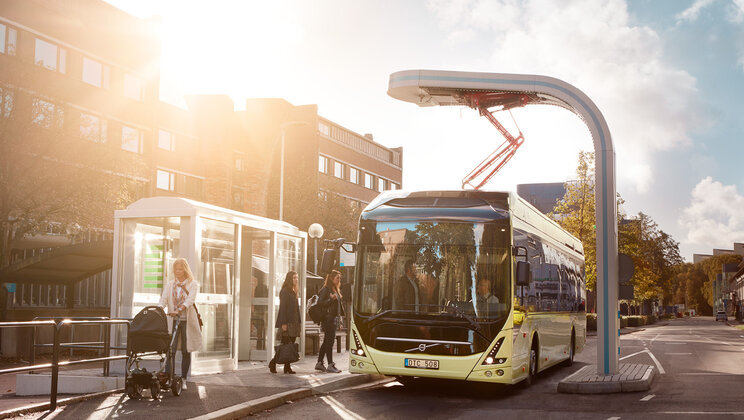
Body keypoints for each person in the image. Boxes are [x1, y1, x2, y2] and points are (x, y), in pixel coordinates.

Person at [159, 258, 202, 390]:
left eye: (180, 269)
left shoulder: (193, 284)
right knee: (170, 349)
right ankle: (168, 377)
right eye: (176, 269)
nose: (178, 271)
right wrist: (159, 308)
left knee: (185, 350)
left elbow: (190, 300)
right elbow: (164, 299)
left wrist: (179, 309)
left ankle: (183, 379)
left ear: (185, 269)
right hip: (173, 320)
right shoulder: (170, 284)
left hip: (186, 321)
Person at [269, 271, 301, 374]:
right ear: (289, 279)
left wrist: (298, 322)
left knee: (290, 346)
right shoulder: (285, 291)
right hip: (287, 323)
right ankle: (273, 362)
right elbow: (283, 308)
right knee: (284, 345)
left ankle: (287, 367)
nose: (296, 279)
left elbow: (296, 309)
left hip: (294, 323)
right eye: (294, 278)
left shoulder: (294, 291)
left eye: (297, 278)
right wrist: (283, 324)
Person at [315, 270, 345, 373]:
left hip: (333, 319)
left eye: (339, 278)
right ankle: (330, 364)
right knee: (330, 341)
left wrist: (340, 319)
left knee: (327, 341)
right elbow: (319, 303)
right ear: (331, 278)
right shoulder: (326, 290)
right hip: (327, 319)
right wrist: (331, 299)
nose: (339, 280)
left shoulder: (335, 289)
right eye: (337, 278)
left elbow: (338, 308)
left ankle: (319, 363)